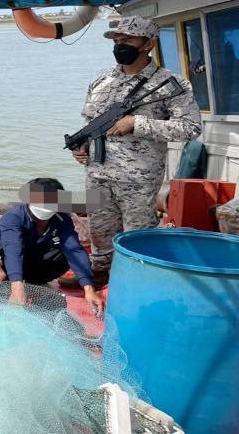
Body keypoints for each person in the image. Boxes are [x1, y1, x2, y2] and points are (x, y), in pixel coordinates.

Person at [71, 16, 202, 286]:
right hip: (98, 170)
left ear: (148, 44)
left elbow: (190, 128)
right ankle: (100, 272)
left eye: (128, 40)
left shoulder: (170, 84)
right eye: (117, 41)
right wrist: (81, 147)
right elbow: (89, 123)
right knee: (99, 226)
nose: (120, 46)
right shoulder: (101, 80)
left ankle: (137, 282)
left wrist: (137, 123)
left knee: (138, 233)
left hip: (138, 176)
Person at [0, 178, 103, 315]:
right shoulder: (14, 217)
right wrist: (16, 286)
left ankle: (34, 283)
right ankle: (12, 283)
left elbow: (73, 249)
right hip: (4, 261)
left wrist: (88, 289)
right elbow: (13, 250)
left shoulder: (61, 217)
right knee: (6, 254)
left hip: (33, 260)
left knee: (65, 254)